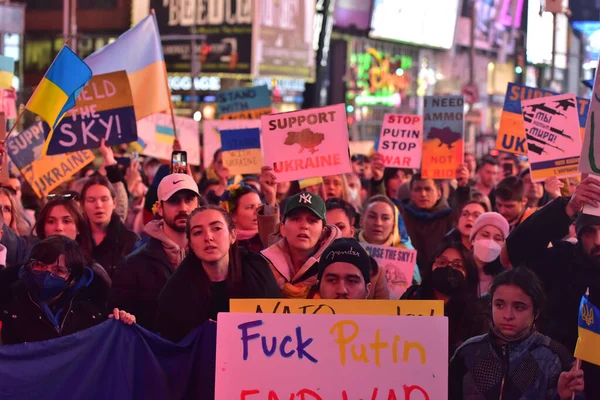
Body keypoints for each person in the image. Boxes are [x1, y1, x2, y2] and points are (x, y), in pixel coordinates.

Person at [500, 177, 600, 397]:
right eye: (590, 232)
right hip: (555, 381)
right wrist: (567, 207)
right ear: (579, 233)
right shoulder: (563, 259)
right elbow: (514, 252)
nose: (598, 240)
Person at [449, 268, 585, 400]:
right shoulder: (468, 352)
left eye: (518, 307)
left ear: (536, 312)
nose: (508, 316)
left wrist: (563, 398)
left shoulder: (553, 356)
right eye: (500, 305)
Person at [157, 206, 280, 342]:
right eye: (198, 232)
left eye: (216, 228)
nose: (208, 237)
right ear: (190, 244)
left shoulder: (259, 273)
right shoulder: (176, 292)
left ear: (232, 235)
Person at [109, 173, 205, 331]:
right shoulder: (133, 264)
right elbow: (119, 320)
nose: (183, 208)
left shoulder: (211, 256)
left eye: (189, 199)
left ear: (198, 205)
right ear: (160, 208)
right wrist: (126, 318)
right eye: (174, 201)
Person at [0, 236, 135, 345]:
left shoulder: (94, 307)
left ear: (73, 279)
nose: (47, 275)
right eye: (40, 266)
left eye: (58, 270)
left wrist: (122, 321)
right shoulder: (9, 299)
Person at [402, 242, 486, 354]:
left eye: (458, 265)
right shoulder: (412, 296)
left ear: (468, 272)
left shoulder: (476, 316)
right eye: (442, 262)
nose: (448, 268)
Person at [260, 192, 341, 299]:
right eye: (296, 219)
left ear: (323, 232)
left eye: (312, 221)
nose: (304, 225)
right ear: (282, 228)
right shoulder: (263, 266)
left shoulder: (336, 267)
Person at [325, 198, 390, 299]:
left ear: (351, 232)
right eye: (328, 229)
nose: (334, 234)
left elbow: (383, 313)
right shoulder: (303, 270)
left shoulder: (375, 273)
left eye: (340, 227)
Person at [80, 176, 139, 277]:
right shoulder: (76, 240)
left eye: (104, 199)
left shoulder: (131, 241)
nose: (98, 205)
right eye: (91, 200)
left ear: (114, 203)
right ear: (83, 205)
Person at [398, 173, 454, 278]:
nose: (423, 194)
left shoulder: (450, 218)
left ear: (439, 193)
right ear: (411, 194)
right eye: (417, 189)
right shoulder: (402, 217)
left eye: (428, 189)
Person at [358, 195, 421, 286]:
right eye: (372, 216)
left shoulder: (404, 251)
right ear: (361, 221)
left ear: (393, 225)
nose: (378, 223)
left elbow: (417, 291)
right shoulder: (349, 249)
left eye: (385, 218)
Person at [468, 212, 509, 296]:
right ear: (473, 239)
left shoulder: (506, 279)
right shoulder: (458, 269)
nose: (490, 242)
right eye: (485, 235)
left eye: (497, 238)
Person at [218, 183, 264, 253]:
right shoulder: (225, 245)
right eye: (250, 207)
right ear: (232, 215)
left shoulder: (268, 238)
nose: (257, 211)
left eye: (259, 206)